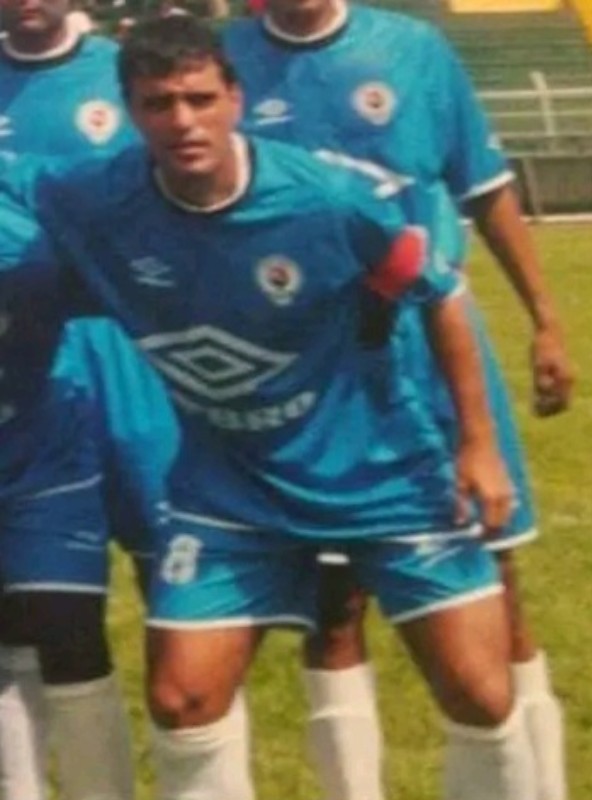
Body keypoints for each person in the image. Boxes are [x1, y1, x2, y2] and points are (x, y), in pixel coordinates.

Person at [2, 15, 544, 800]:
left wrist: (479, 445)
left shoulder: (327, 197)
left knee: (480, 692)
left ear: (235, 99)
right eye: (158, 104)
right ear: (130, 112)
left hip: (382, 473)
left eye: (199, 99)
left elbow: (440, 294)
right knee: (182, 699)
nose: (183, 121)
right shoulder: (93, 195)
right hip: (231, 490)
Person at [223, 3, 574, 799]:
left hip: (433, 350)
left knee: (496, 586)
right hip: (307, 370)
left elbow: (485, 188)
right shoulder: (229, 61)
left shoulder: (413, 49)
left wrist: (546, 321)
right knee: (332, 606)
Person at [0, 0, 176, 796]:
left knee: (171, 576)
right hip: (30, 363)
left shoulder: (128, 72)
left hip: (127, 352)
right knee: (29, 608)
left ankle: (190, 762)